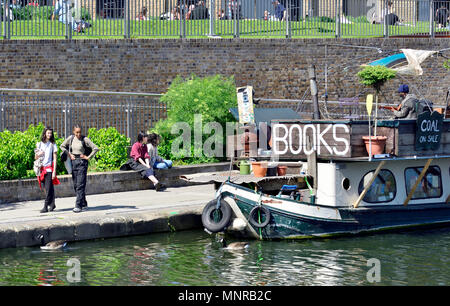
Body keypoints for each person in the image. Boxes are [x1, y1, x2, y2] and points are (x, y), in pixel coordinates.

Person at [60, 125, 99, 213]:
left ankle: (78, 205)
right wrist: (69, 154)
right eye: (77, 132)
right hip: (74, 162)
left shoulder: (85, 139)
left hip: (82, 163)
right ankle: (84, 202)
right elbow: (62, 146)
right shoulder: (71, 138)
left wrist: (88, 157)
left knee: (80, 184)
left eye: (80, 132)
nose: (78, 134)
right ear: (74, 132)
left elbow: (95, 148)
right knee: (76, 185)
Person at [35, 127, 60, 213]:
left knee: (48, 189)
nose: (49, 135)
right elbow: (35, 157)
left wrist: (54, 171)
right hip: (41, 169)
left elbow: (55, 158)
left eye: (51, 133)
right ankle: (52, 204)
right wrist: (39, 154)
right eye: (48, 133)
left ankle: (45, 206)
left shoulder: (53, 144)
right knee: (46, 188)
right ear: (45, 133)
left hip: (49, 169)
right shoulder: (39, 144)